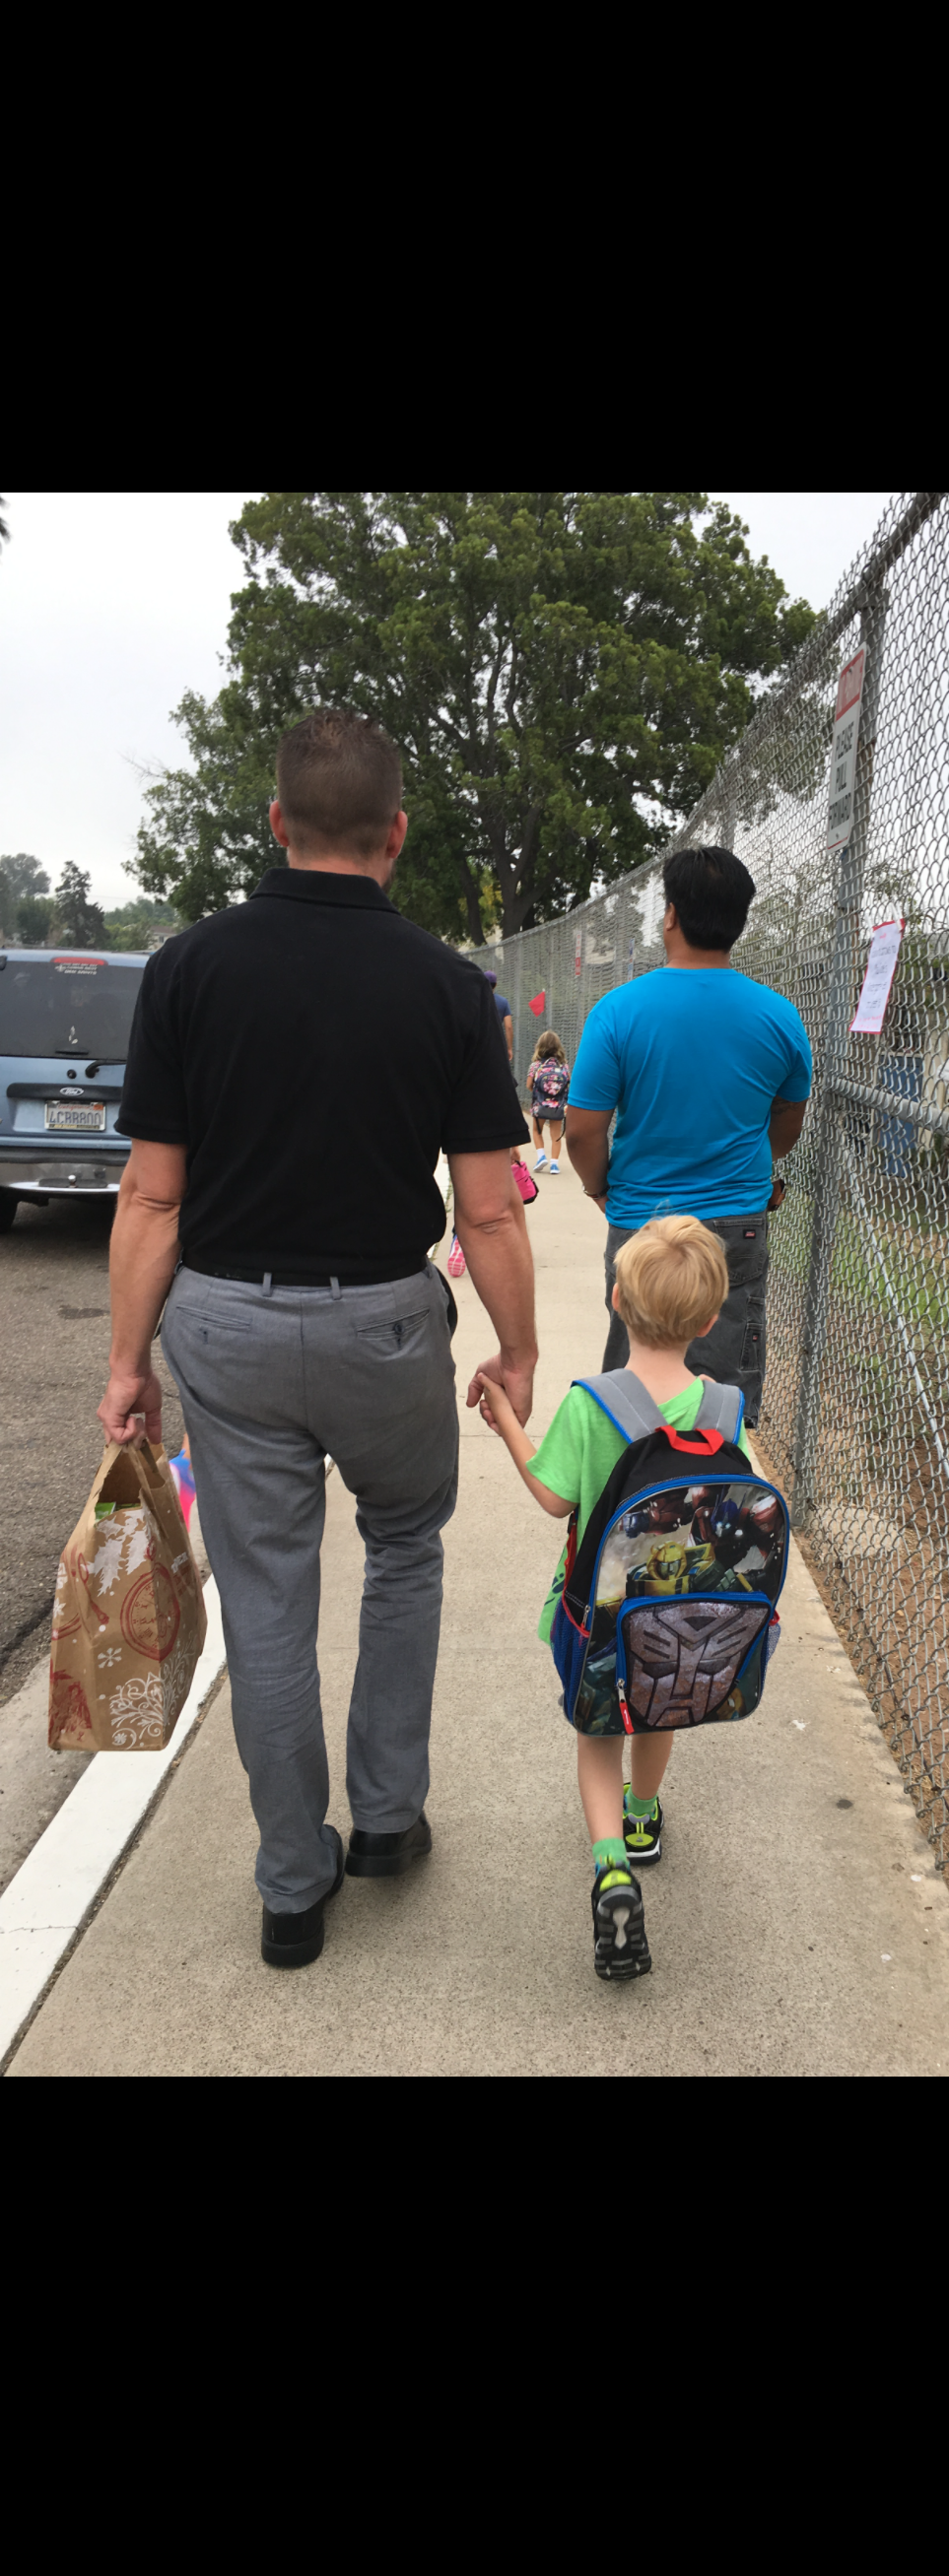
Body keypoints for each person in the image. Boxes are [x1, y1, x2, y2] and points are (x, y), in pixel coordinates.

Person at [99, 709, 535, 1971]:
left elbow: (152, 1196)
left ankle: (294, 1884)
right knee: (406, 1547)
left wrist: (130, 1366)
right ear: (396, 834)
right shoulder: (454, 989)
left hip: (227, 1325)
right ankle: (388, 1822)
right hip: (388, 1320)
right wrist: (514, 1347)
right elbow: (492, 1204)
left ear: (277, 825)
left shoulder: (188, 967)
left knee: (270, 1597)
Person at [476, 1215, 746, 1980]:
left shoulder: (594, 1405)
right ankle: (642, 1821)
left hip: (595, 1618)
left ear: (616, 1300)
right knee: (657, 1712)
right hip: (681, 1625)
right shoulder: (724, 1409)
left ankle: (610, 1870)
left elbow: (555, 1500)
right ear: (709, 1318)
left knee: (599, 1735)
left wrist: (508, 1430)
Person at [565, 845, 811, 1426]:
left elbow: (581, 1129)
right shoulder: (779, 1016)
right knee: (722, 1397)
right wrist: (749, 1166)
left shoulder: (619, 1011)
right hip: (735, 1223)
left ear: (670, 915)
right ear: (739, 921)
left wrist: (600, 1190)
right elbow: (788, 1119)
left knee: (636, 1384)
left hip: (642, 1221)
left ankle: (627, 1497)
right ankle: (719, 1503)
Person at [525, 1028, 570, 1173]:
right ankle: (554, 1165)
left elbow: (529, 1085)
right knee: (555, 1135)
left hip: (540, 1104)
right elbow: (568, 1083)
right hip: (558, 1106)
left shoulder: (536, 1065)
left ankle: (541, 1156)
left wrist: (540, 1093)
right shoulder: (563, 1065)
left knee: (537, 1131)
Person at [485, 969, 514, 1068]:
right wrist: (509, 1048)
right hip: (496, 1044)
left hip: (478, 1044)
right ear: (495, 984)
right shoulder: (503, 1002)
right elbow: (508, 1026)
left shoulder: (475, 1000)